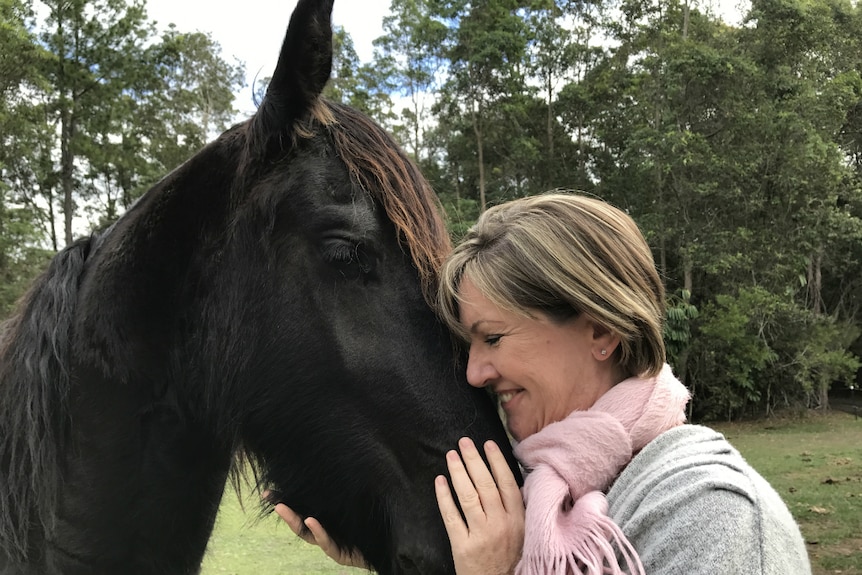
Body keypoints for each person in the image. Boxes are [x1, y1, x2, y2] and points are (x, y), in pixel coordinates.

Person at [274, 192, 812, 574]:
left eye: (494, 339)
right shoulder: (542, 490)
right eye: (470, 347)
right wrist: (401, 554)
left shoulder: (715, 517)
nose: (474, 373)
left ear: (600, 331)